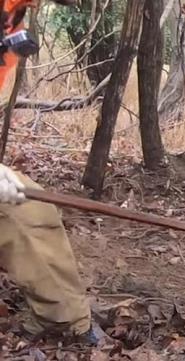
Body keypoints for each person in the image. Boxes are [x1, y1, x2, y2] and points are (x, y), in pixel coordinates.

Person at [0, 0, 96, 345]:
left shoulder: (12, 15)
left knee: (32, 208)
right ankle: (66, 323)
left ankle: (66, 321)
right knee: (17, 212)